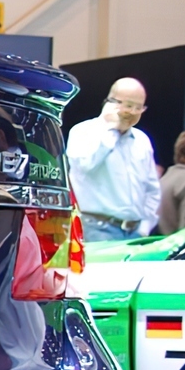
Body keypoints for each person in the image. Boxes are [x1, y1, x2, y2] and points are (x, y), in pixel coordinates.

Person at [66, 77, 161, 245]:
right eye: (128, 105)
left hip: (136, 233)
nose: (133, 112)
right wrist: (111, 129)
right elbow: (86, 165)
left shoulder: (142, 140)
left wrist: (145, 227)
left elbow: (152, 189)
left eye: (139, 107)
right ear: (110, 103)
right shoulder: (83, 131)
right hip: (95, 229)